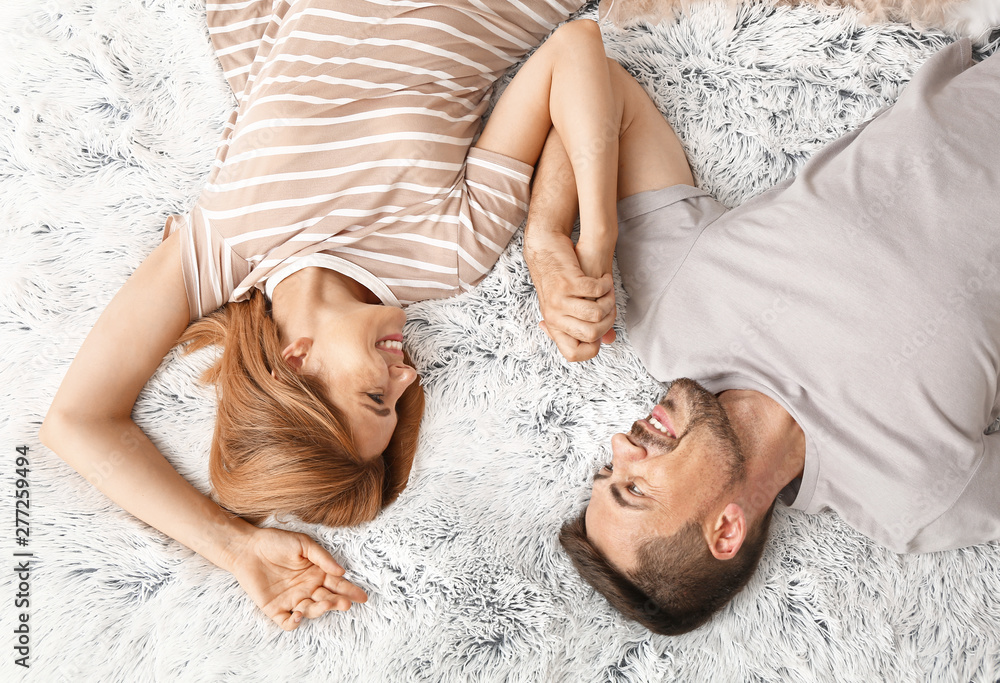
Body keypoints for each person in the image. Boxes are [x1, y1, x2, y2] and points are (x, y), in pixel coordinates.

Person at [39, 0, 677, 630]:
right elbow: (574, 49)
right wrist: (593, 240)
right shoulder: (447, 257)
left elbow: (78, 421)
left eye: (376, 395)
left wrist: (232, 546)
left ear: (297, 360)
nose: (406, 379)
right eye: (400, 402)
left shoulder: (226, 249)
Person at [523, 39, 1000, 634]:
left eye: (607, 467)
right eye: (635, 486)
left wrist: (550, 241)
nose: (622, 444)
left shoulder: (671, 318)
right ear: (726, 528)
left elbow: (600, 81)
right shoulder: (912, 500)